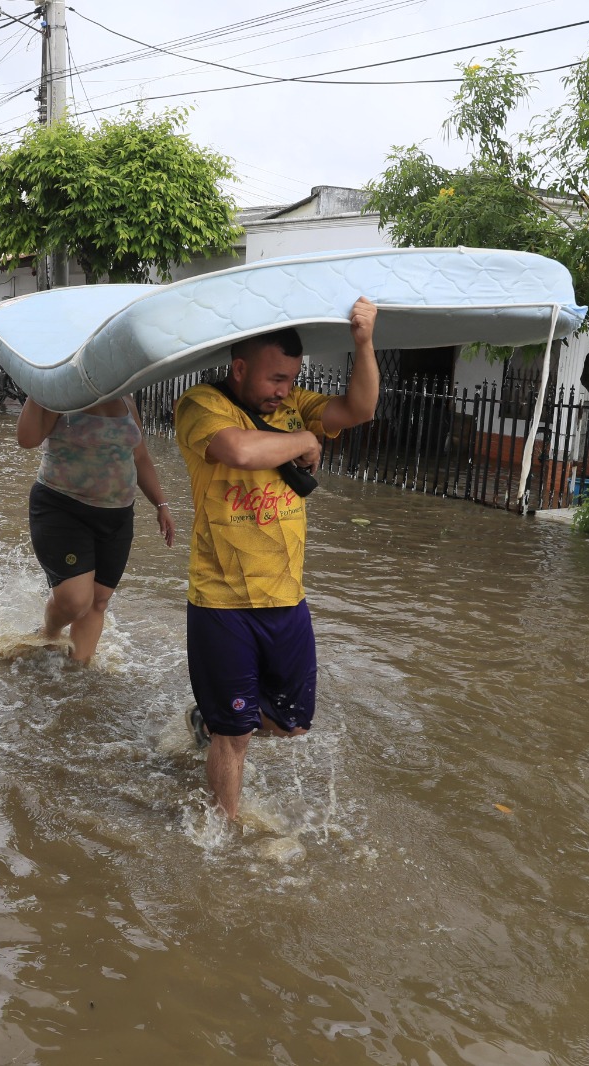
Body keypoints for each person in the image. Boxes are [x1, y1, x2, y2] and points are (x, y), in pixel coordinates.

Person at [173, 300, 381, 821]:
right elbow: (239, 451)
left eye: (291, 379)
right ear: (240, 369)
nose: (284, 390)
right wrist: (306, 440)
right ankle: (227, 827)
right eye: (275, 379)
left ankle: (211, 720)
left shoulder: (294, 407)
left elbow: (361, 410)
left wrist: (363, 342)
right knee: (236, 735)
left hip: (286, 596)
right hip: (222, 600)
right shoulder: (200, 404)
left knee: (293, 725)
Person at [16, 395, 175, 665]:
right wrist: (39, 388)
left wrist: (161, 504)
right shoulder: (59, 395)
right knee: (75, 600)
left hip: (117, 516)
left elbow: (140, 456)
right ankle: (49, 633)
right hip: (63, 509)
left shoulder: (127, 401)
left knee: (98, 600)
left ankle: (77, 674)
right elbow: (26, 439)